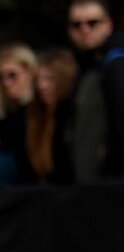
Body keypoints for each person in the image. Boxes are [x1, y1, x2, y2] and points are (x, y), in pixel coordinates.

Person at [66, 0, 124, 181]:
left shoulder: (115, 63)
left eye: (92, 23)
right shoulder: (85, 69)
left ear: (108, 25)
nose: (85, 30)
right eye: (77, 24)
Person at [20, 49, 79, 186]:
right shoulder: (34, 117)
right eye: (38, 79)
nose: (42, 86)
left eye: (49, 79)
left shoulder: (71, 115)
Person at [0, 43, 37, 161]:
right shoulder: (9, 116)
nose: (6, 83)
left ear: (30, 73)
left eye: (12, 75)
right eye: (1, 77)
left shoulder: (39, 113)